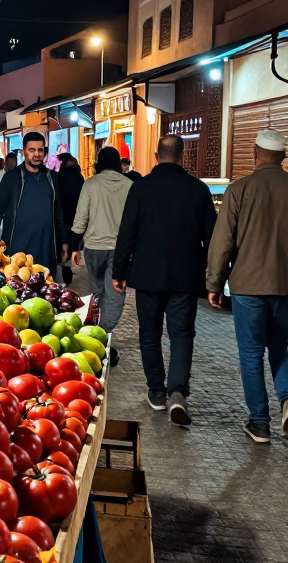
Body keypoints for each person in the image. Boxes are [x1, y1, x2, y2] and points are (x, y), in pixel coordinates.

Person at [112, 134, 217, 425]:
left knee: (149, 334)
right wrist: (214, 278)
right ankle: (178, 392)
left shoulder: (141, 188)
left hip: (147, 276)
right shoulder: (198, 190)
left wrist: (119, 271)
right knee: (182, 334)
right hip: (186, 276)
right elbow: (213, 238)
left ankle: (157, 391)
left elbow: (127, 233)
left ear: (157, 155)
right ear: (182, 156)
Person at [206, 128, 288, 443]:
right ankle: (287, 398)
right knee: (280, 347)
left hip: (248, 286)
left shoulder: (240, 189)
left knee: (251, 353)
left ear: (254, 154)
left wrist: (214, 282)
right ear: (282, 157)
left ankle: (260, 423)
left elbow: (223, 240)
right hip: (284, 285)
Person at [71, 146, 132, 354]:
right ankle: (103, 332)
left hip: (94, 247)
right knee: (115, 293)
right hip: (120, 249)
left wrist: (74, 245)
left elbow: (81, 217)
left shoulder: (90, 184)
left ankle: (98, 331)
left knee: (98, 291)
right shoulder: (129, 185)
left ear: (99, 163)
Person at [0, 132, 66, 271]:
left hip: (46, 250)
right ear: (23, 152)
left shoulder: (52, 177)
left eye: (40, 150)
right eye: (32, 150)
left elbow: (58, 213)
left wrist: (63, 242)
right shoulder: (11, 177)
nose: (37, 154)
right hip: (17, 251)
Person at [55, 152, 85, 283]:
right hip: (76, 216)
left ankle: (65, 267)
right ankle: (72, 261)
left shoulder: (59, 177)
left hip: (62, 217)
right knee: (74, 244)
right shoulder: (79, 178)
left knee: (64, 243)